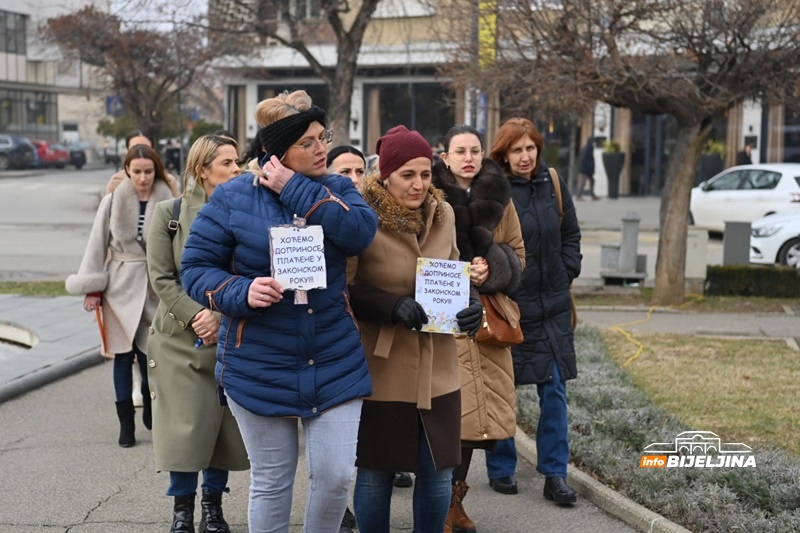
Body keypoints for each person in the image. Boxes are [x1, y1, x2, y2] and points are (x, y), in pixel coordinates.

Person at [180, 89, 378, 533]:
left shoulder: (338, 188)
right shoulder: (233, 197)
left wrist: (297, 189)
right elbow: (195, 269)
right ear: (278, 151)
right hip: (258, 360)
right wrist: (241, 291)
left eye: (322, 136)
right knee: (272, 481)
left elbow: (361, 233)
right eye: (307, 142)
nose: (321, 147)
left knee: (334, 478)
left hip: (333, 356)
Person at [346, 125, 483, 533]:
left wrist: (472, 308)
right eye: (408, 175)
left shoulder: (445, 214)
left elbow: (456, 274)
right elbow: (344, 290)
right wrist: (391, 305)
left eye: (425, 174)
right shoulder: (362, 218)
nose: (419, 184)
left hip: (439, 368)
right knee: (375, 474)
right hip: (382, 370)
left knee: (439, 473)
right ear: (385, 175)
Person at [146, 135, 249, 533]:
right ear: (202, 169)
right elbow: (162, 279)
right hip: (178, 341)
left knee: (222, 428)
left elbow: (251, 273)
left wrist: (219, 319)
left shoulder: (247, 212)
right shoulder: (167, 213)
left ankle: (213, 507)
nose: (236, 169)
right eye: (227, 162)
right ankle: (182, 512)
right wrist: (197, 317)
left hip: (228, 335)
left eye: (237, 161)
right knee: (184, 428)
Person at [432, 124, 525, 532]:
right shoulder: (430, 194)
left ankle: (455, 503)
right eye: (460, 151)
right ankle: (434, 499)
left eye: (475, 150)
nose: (468, 157)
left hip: (486, 322)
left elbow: (519, 254)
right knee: (445, 417)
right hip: (442, 315)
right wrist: (458, 270)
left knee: (472, 426)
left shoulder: (501, 197)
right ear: (446, 156)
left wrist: (493, 266)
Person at [485, 117, 582, 506]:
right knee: (505, 389)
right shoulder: (495, 191)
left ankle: (555, 474)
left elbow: (571, 233)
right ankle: (501, 466)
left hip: (554, 306)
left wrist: (566, 269)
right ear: (504, 154)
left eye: (530, 148)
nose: (525, 157)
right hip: (514, 306)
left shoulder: (553, 183)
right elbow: (487, 244)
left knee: (554, 390)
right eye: (516, 150)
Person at [65, 144, 174, 447]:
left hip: (156, 288)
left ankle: (152, 408)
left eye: (148, 171)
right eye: (136, 171)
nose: (142, 177)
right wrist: (92, 287)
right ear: (127, 170)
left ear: (156, 171)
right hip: (120, 288)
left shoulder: (169, 201)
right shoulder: (112, 202)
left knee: (153, 356)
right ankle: (126, 424)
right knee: (122, 358)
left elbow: (179, 249)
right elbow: (96, 245)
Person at [107, 130, 181, 197]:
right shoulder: (116, 181)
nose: (140, 152)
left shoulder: (168, 181)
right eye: (134, 148)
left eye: (146, 148)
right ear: (126, 152)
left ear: (153, 152)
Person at [575, 136, 598, 200]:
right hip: (584, 169)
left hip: (588, 169)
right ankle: (578, 195)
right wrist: (584, 169)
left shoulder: (589, 149)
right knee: (582, 182)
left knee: (591, 181)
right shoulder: (587, 149)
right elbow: (583, 160)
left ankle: (592, 194)